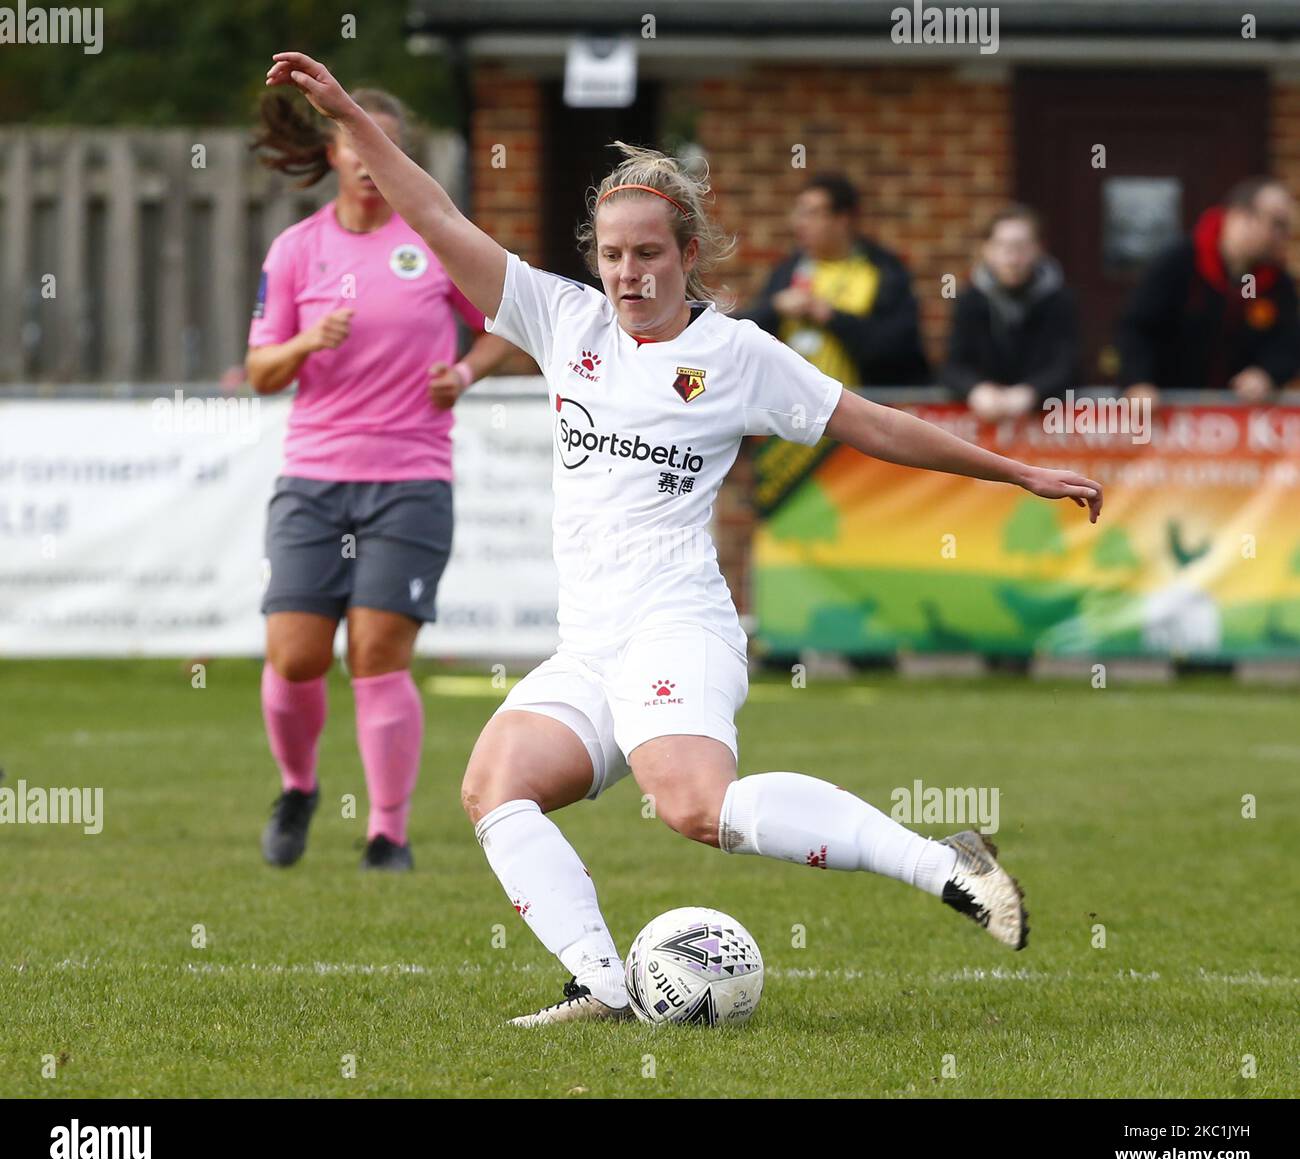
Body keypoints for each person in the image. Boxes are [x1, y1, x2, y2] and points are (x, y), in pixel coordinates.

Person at [266, 51, 1102, 1023]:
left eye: (649, 253)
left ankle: (945, 863)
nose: (628, 272)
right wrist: (346, 115)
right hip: (592, 645)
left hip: (677, 623)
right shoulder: (560, 319)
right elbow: (435, 216)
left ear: (686, 253)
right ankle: (603, 982)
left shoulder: (735, 354)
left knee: (694, 808)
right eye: (613, 254)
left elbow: (872, 423)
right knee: (494, 785)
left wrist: (1018, 471)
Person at [246, 86, 518, 872]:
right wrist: (304, 345)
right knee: (295, 655)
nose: (370, 163)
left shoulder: (437, 242)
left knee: (375, 650)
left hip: (410, 479)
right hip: (313, 478)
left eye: (386, 149)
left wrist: (464, 373)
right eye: (356, 147)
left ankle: (386, 833)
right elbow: (261, 369)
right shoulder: (296, 249)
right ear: (333, 154)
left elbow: (510, 321)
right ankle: (298, 787)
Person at [1119, 177, 1300, 406]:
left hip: (1238, 425)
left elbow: (1288, 343)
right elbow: (1136, 329)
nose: (1283, 236)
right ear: (1240, 215)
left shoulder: (1276, 284)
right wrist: (1137, 382)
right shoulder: (1179, 263)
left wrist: (1268, 374)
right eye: (1277, 224)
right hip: (1167, 419)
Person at [740, 173, 929, 386]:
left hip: (860, 404)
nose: (799, 223)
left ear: (842, 220)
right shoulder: (788, 270)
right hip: (793, 409)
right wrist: (775, 308)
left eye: (812, 214)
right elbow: (748, 330)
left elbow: (895, 346)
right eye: (799, 213)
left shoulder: (883, 270)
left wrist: (830, 316)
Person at [942, 205, 1081, 420]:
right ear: (986, 249)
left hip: (1049, 429)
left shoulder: (1061, 301)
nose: (1013, 258)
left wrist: (1032, 392)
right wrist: (976, 390)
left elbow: (1068, 363)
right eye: (1003, 246)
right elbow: (953, 365)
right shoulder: (969, 301)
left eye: (1021, 247)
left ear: (1039, 248)